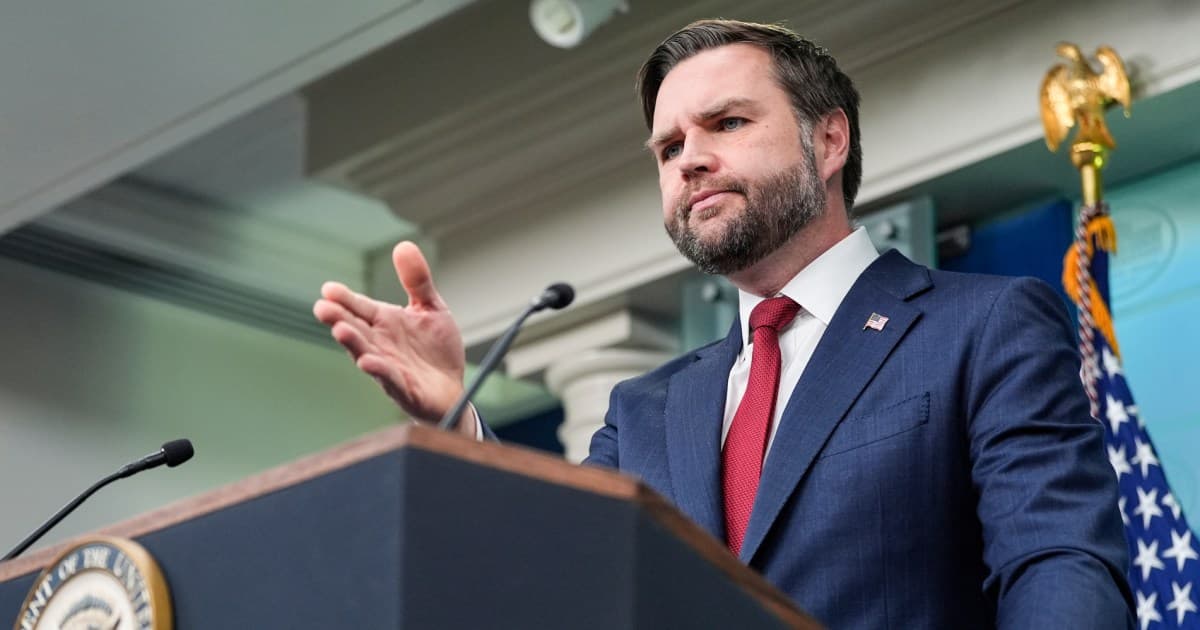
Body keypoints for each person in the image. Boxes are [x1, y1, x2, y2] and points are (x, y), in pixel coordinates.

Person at [314, 19, 1135, 628]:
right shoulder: (645, 412)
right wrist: (461, 415)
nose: (690, 159)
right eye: (668, 148)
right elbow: (565, 581)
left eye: (727, 124)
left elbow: (1059, 562)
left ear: (830, 139)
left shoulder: (983, 326)